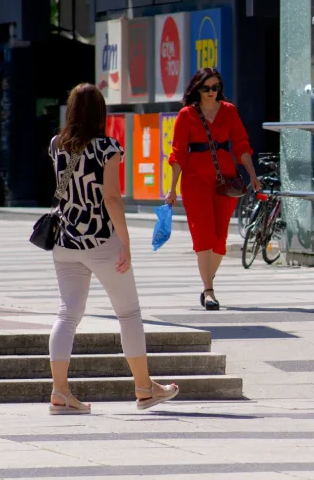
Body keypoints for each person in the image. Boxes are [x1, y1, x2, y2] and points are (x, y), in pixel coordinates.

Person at [48, 83, 179, 414]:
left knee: (68, 313)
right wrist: (125, 241)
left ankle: (61, 392)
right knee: (129, 313)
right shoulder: (107, 148)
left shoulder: (56, 145)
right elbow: (111, 198)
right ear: (100, 112)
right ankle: (144, 388)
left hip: (65, 242)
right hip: (100, 240)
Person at [166, 68, 261, 310]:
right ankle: (209, 290)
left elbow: (241, 143)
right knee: (203, 233)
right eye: (206, 88)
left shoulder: (228, 110)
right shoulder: (186, 114)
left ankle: (207, 280)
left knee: (220, 237)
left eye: (215, 87)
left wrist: (252, 174)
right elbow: (178, 154)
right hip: (195, 180)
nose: (211, 92)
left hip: (225, 180)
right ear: (197, 89)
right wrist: (171, 188)